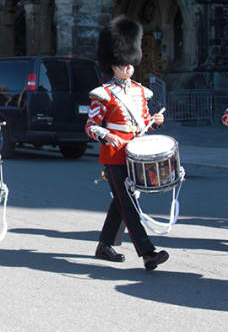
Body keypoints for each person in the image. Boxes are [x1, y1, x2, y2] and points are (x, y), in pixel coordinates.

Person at [85, 15, 168, 272]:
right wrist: (106, 135)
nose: (128, 68)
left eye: (130, 63)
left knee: (122, 201)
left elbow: (142, 122)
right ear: (113, 65)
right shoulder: (104, 94)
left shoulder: (141, 92)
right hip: (114, 155)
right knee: (129, 203)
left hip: (135, 155)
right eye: (123, 64)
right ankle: (147, 253)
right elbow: (90, 126)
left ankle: (104, 245)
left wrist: (155, 120)